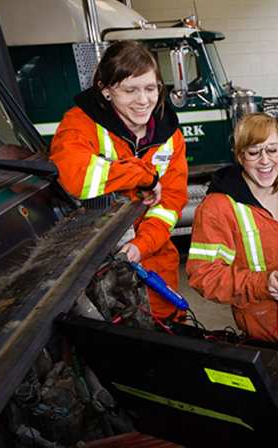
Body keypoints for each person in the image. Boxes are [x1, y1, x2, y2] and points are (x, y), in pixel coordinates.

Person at [50, 41, 188, 321]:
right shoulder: (81, 123)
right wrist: (143, 175)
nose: (143, 100)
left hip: (152, 258)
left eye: (151, 88)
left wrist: (142, 244)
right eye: (130, 90)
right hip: (94, 260)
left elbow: (171, 202)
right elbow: (72, 175)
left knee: (167, 331)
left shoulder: (170, 134)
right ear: (106, 90)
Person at [186, 113, 278, 355]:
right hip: (264, 327)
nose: (265, 161)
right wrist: (262, 284)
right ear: (240, 156)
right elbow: (203, 275)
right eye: (254, 152)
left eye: (272, 150)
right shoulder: (218, 207)